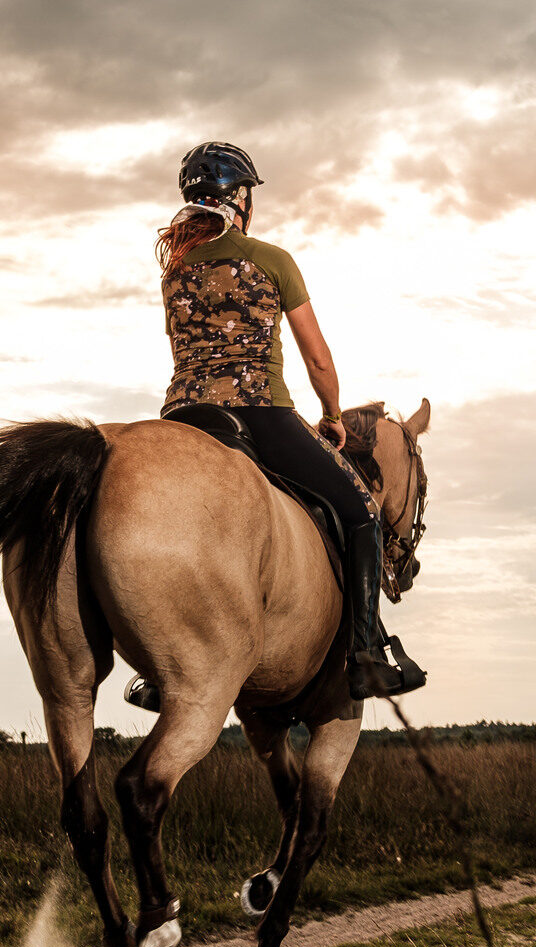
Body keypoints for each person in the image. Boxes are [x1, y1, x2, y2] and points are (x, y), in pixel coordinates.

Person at [126, 141, 424, 709]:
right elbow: (317, 359)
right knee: (361, 511)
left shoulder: (174, 268)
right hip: (257, 412)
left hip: (184, 417)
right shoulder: (272, 259)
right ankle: (365, 659)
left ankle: (154, 670)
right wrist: (333, 417)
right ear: (240, 198)